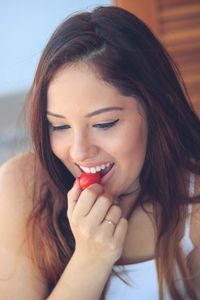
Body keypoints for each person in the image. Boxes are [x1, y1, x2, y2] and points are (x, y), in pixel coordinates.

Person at [0, 5, 200, 300]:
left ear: (156, 109)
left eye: (104, 123)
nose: (79, 151)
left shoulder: (192, 203)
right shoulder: (20, 188)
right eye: (59, 126)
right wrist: (90, 260)